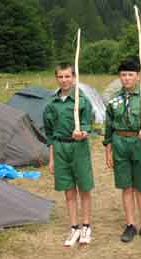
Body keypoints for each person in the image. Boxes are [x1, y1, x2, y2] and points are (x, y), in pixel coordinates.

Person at [103, 59, 141, 244]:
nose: (127, 78)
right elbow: (108, 128)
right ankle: (130, 225)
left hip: (140, 145)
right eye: (123, 75)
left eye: (130, 74)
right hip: (120, 144)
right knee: (126, 187)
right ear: (119, 77)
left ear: (138, 76)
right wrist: (108, 151)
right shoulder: (113, 100)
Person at [43, 62, 94, 247]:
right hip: (60, 149)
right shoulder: (51, 104)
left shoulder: (82, 100)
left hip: (78, 148)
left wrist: (83, 133)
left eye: (67, 76)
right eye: (60, 77)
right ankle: (74, 227)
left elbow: (89, 124)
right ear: (56, 78)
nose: (64, 80)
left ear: (73, 77)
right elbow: (49, 134)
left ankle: (86, 226)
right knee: (68, 190)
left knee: (84, 188)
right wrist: (51, 159)